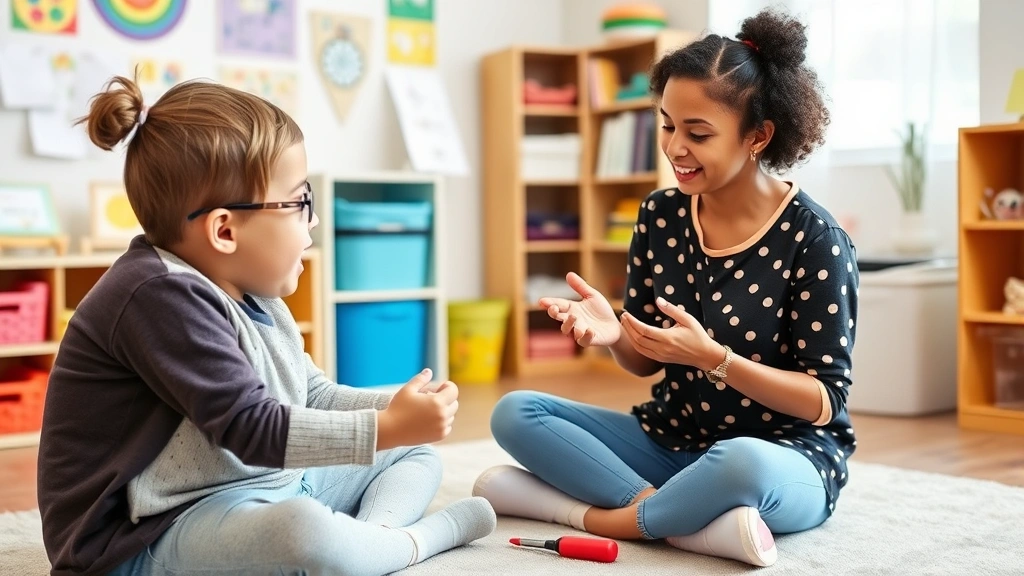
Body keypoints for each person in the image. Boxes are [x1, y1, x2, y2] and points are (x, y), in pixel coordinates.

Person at [37, 75, 495, 576]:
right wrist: (383, 427)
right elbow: (251, 427)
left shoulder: (248, 286)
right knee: (302, 533)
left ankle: (371, 544)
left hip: (253, 487)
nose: (314, 221)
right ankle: (412, 543)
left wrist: (400, 413)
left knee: (412, 451)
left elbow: (309, 393)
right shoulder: (159, 295)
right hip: (141, 535)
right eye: (301, 203)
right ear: (225, 230)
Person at [473, 7, 857, 567]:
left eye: (698, 133)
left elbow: (825, 402)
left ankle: (607, 519)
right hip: (670, 439)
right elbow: (647, 363)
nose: (675, 147)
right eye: (668, 125)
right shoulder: (660, 215)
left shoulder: (814, 239)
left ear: (758, 136)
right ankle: (684, 519)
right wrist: (613, 336)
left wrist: (717, 361)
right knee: (515, 412)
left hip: (783, 456)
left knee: (739, 465)